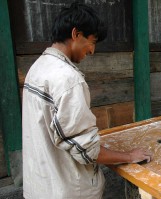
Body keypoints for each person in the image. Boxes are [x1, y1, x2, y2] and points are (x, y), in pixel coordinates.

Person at [22, 2, 152, 199]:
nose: (92, 51)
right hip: (68, 190)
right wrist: (129, 156)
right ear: (76, 34)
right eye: (92, 42)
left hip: (42, 186)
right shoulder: (67, 79)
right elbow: (86, 150)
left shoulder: (38, 68)